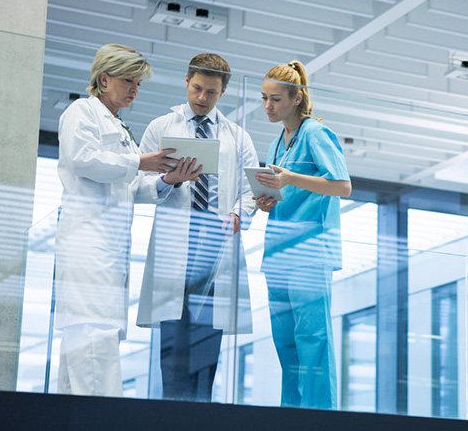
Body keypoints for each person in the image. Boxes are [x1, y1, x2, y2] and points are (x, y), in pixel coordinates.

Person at [55, 43, 201, 397]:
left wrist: (168, 179)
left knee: (88, 346)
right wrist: (139, 162)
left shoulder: (120, 128)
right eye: (128, 81)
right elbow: (83, 160)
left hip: (110, 246)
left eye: (138, 83)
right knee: (94, 338)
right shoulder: (82, 112)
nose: (134, 89)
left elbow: (133, 188)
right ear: (103, 79)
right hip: (87, 243)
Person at [136, 53, 259, 402]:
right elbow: (137, 186)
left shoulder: (238, 137)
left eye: (212, 93)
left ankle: (199, 416)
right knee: (173, 354)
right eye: (198, 88)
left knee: (207, 353)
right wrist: (169, 182)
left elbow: (249, 191)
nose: (202, 98)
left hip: (215, 248)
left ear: (223, 93)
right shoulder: (162, 127)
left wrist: (238, 214)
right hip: (178, 248)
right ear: (187, 80)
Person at [255, 60, 351, 409]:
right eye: (264, 98)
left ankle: (320, 418)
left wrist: (291, 179)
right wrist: (268, 200)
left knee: (313, 340)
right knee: (286, 344)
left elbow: (342, 186)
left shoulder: (316, 133)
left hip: (310, 254)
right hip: (278, 253)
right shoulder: (276, 144)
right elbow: (285, 193)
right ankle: (291, 416)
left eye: (276, 99)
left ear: (297, 98)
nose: (268, 106)